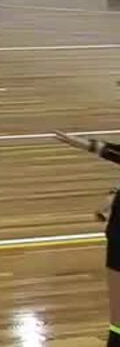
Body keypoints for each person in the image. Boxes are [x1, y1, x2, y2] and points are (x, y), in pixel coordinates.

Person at [50, 132, 120, 346]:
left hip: (117, 238)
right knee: (117, 317)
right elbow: (106, 150)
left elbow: (105, 150)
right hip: (117, 238)